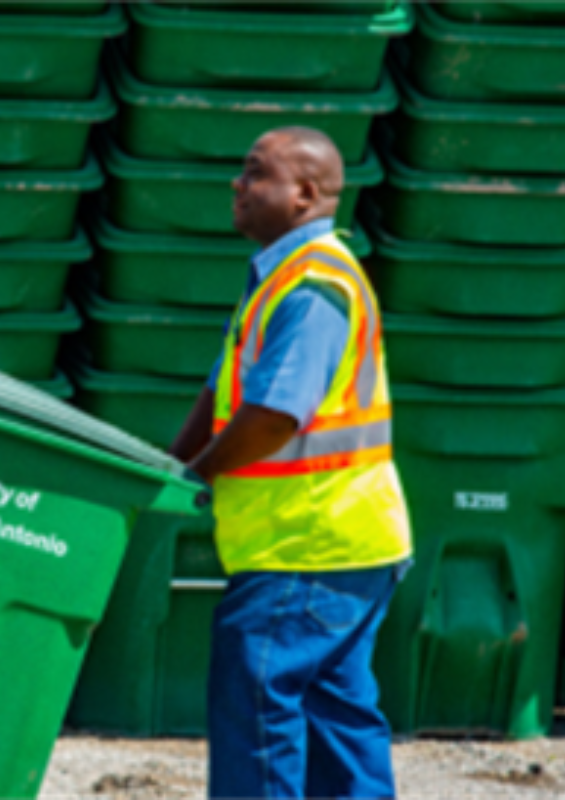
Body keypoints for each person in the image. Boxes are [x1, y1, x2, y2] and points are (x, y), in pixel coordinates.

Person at [169, 127, 413, 799]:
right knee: (338, 722)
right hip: (348, 545)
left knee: (258, 713)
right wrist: (163, 463)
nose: (237, 186)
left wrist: (200, 474)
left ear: (305, 194)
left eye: (255, 174)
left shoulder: (311, 288)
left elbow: (277, 414)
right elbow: (223, 394)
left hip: (306, 547)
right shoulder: (286, 278)